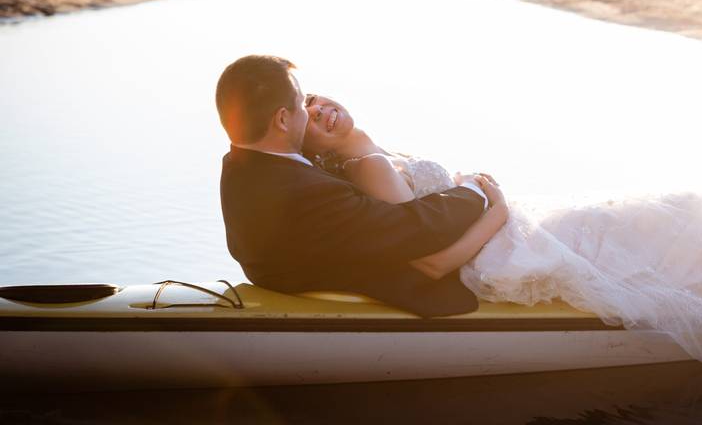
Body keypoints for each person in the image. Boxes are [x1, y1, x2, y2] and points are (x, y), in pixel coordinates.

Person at [217, 54, 702, 364]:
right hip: (499, 248)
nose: (317, 109)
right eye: (305, 105)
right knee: (669, 221)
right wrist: (490, 203)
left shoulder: (278, 169)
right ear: (283, 120)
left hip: (506, 233)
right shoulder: (332, 179)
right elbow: (419, 248)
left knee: (655, 229)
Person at [216, 55, 505, 318]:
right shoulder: (306, 193)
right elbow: (415, 227)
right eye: (301, 102)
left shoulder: (238, 165)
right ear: (282, 119)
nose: (309, 111)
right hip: (415, 284)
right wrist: (473, 190)